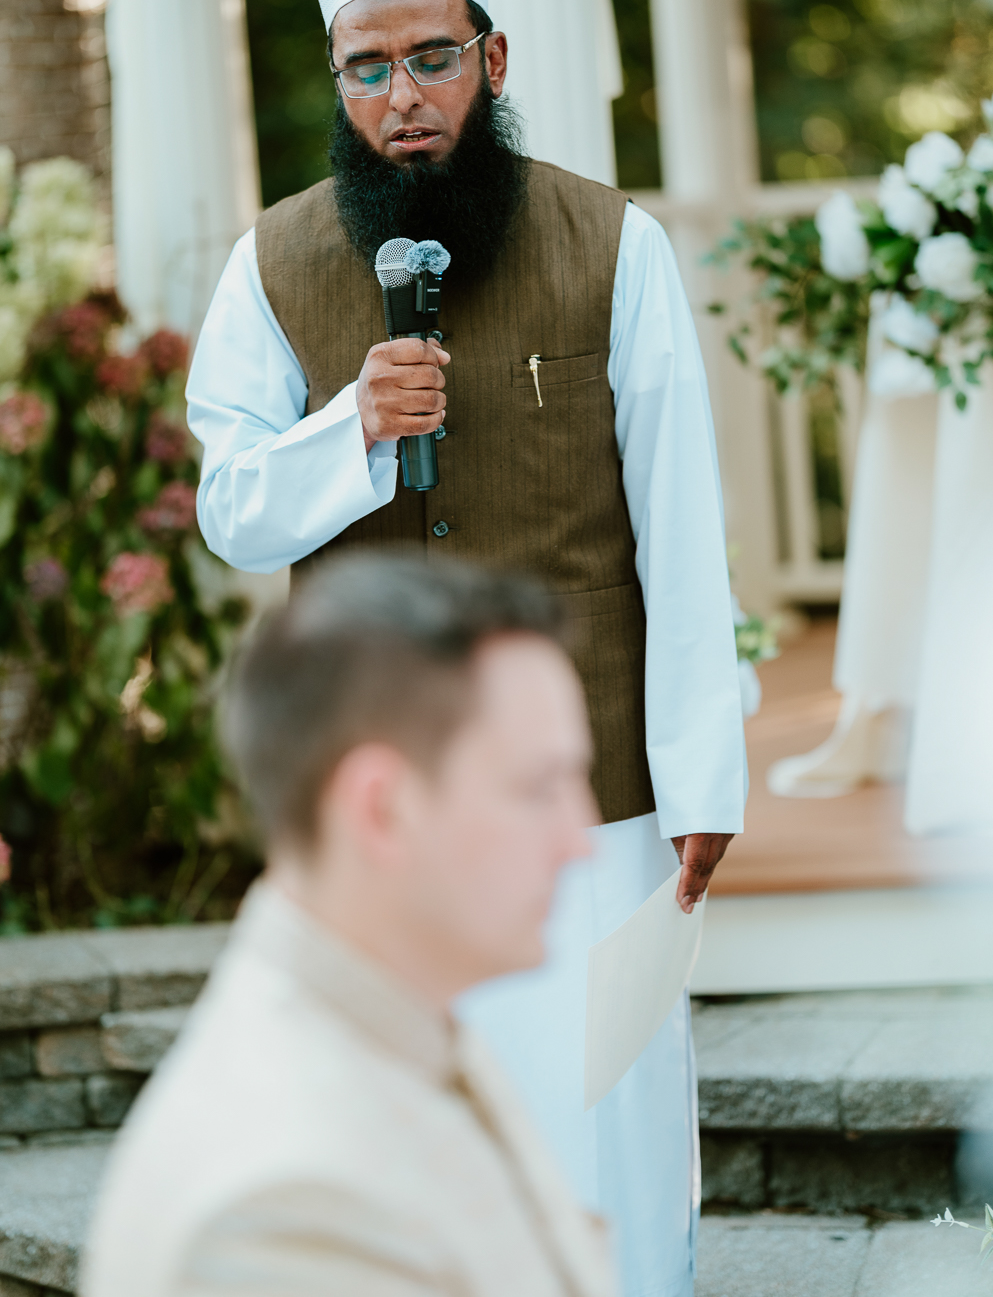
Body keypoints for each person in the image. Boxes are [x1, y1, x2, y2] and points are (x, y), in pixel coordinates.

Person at [186, 0, 746, 1297]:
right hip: (384, 784)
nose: (402, 97)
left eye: (431, 59)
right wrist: (352, 430)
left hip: (590, 783)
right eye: (366, 69)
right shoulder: (270, 262)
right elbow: (233, 508)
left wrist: (702, 774)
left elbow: (681, 527)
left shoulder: (614, 244)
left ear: (492, 61)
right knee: (416, 1129)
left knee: (606, 1121)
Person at [82, 553, 615, 1297]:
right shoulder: (286, 1214)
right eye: (539, 788)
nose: (582, 840)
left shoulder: (406, 1025)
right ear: (381, 809)